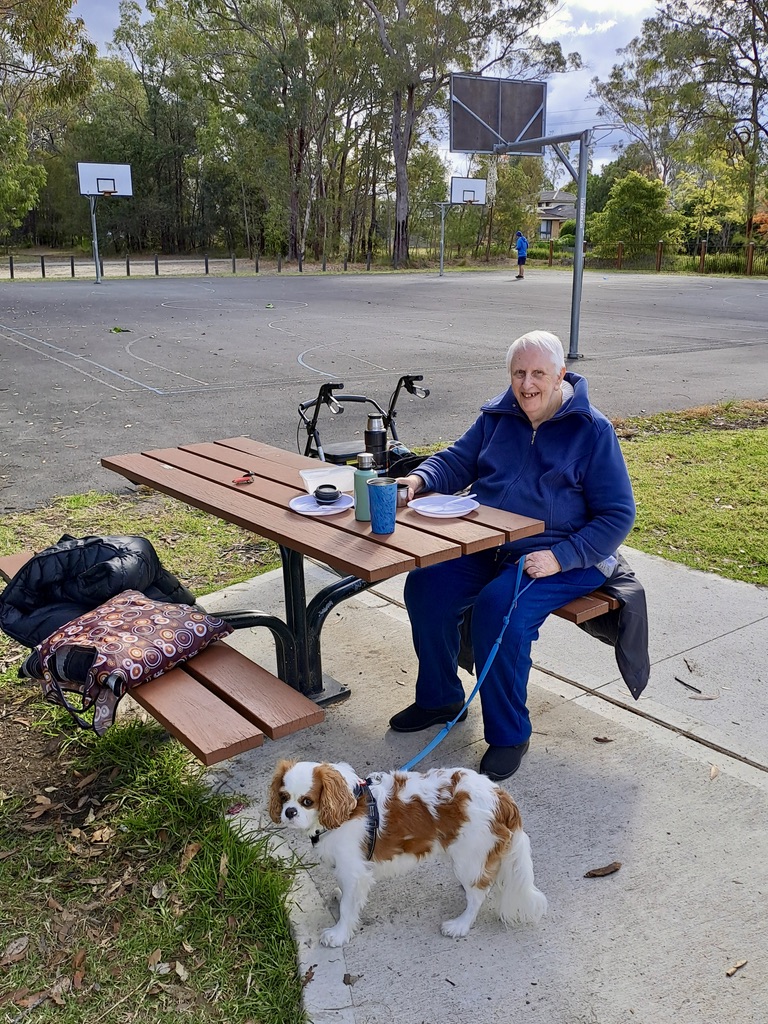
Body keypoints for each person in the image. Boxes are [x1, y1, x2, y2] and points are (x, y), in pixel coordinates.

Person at [392, 330, 636, 781]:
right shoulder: (499, 414)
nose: (526, 384)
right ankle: (439, 697)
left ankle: (509, 734)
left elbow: (619, 514)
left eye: (538, 373)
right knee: (427, 585)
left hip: (566, 554)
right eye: (518, 373)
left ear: (561, 375)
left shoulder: (593, 431)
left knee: (498, 609)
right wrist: (419, 480)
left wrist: (562, 556)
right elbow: (457, 460)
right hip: (491, 542)